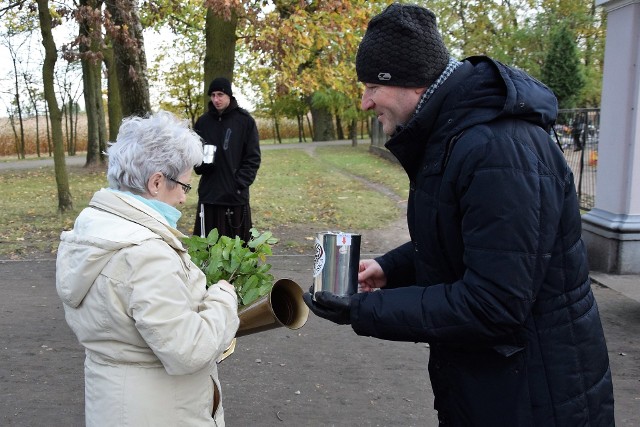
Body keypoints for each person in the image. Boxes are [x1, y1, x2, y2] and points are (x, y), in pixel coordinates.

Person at [303, 3, 614, 426]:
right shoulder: (455, 136)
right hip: (492, 386)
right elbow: (470, 238)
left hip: (535, 396)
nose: (364, 102)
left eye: (372, 86)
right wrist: (391, 268)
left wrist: (363, 311)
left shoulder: (498, 149)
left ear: (410, 81)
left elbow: (494, 304)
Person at [56, 111, 240, 426]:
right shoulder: (146, 254)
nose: (184, 199)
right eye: (184, 186)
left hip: (112, 405)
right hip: (163, 412)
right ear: (157, 182)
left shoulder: (90, 233)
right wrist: (224, 297)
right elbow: (188, 350)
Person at [193, 77, 261, 243]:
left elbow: (253, 157)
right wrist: (203, 165)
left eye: (220, 94)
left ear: (229, 95)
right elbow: (193, 156)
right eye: (213, 95)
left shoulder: (245, 121)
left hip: (235, 197)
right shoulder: (203, 122)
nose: (216, 99)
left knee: (237, 249)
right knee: (207, 248)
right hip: (209, 196)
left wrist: (239, 183)